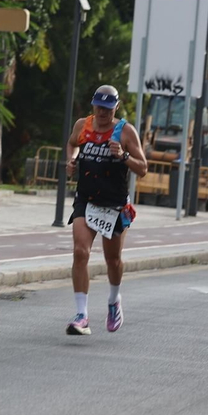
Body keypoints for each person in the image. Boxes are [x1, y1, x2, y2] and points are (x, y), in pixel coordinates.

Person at [64, 85, 148, 335]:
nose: (102, 113)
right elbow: (71, 144)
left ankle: (114, 300)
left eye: (107, 109)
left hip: (114, 205)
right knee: (80, 251)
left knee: (113, 260)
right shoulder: (83, 125)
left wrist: (123, 156)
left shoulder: (125, 131)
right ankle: (82, 315)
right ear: (93, 106)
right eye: (98, 107)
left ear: (116, 108)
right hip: (86, 199)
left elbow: (143, 167)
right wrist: (72, 160)